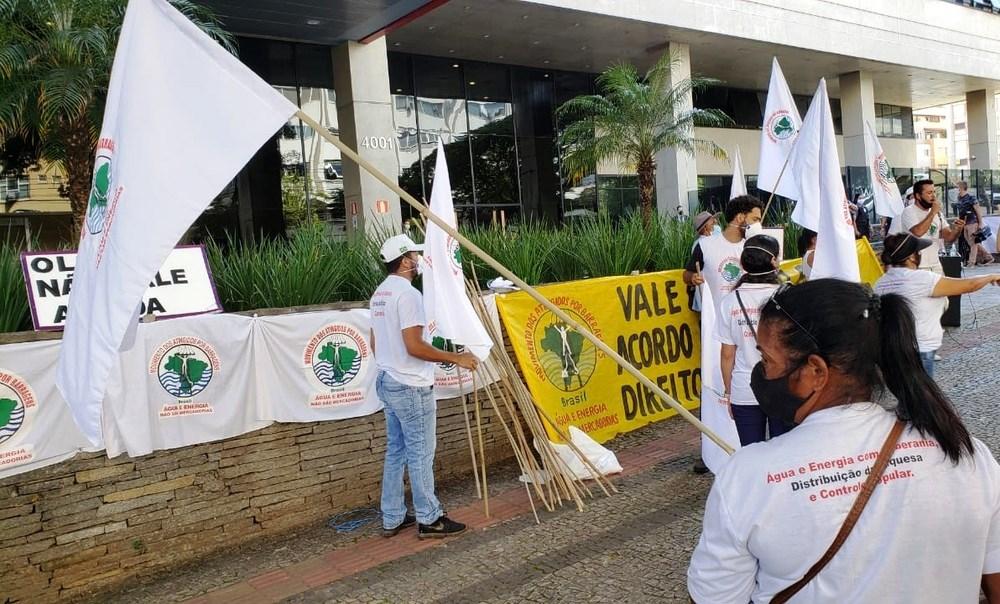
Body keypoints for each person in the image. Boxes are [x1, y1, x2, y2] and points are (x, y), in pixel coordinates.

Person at [688, 278, 1000, 603]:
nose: (761, 372)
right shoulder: (966, 453)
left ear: (815, 372)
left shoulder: (747, 478)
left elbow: (713, 597)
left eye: (766, 360)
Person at [370, 234, 479, 539]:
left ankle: (392, 516)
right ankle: (429, 518)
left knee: (397, 451)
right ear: (404, 261)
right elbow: (414, 346)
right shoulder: (408, 295)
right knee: (420, 452)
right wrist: (455, 357)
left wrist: (391, 364)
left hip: (388, 379)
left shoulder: (380, 294)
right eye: (414, 257)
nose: (418, 261)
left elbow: (375, 340)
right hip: (410, 384)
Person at [683, 196, 763, 474]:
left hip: (750, 332)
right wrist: (692, 279)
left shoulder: (754, 247)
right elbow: (686, 273)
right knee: (715, 389)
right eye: (754, 218)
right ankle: (713, 448)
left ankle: (751, 447)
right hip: (717, 333)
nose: (757, 223)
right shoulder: (705, 246)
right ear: (740, 217)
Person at [875, 233, 1000, 377]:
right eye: (918, 252)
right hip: (918, 349)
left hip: (891, 350)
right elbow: (968, 285)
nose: (920, 254)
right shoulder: (921, 279)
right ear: (911, 257)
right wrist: (992, 276)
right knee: (920, 397)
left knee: (907, 396)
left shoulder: (881, 282)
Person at [716, 234, 790, 446]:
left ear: (742, 263)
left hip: (744, 389)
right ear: (774, 261)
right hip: (782, 387)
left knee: (750, 455)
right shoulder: (786, 297)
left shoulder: (729, 301)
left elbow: (727, 354)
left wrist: (729, 393)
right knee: (784, 455)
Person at [898, 179, 965, 273]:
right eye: (929, 193)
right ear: (918, 196)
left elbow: (949, 238)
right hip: (917, 266)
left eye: (934, 192)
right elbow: (918, 232)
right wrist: (933, 212)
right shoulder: (909, 211)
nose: (933, 196)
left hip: (935, 264)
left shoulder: (937, 213)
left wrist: (957, 230)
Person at [687, 211, 722, 314]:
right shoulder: (700, 245)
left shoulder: (714, 242)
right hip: (707, 295)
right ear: (705, 228)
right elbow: (690, 272)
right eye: (713, 223)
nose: (716, 223)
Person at [956, 180, 993, 267]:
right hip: (964, 224)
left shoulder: (971, 197)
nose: (956, 189)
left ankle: (971, 262)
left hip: (972, 222)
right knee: (973, 243)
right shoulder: (959, 198)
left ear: (961, 188)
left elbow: (978, 210)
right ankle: (989, 257)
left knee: (973, 243)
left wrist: (980, 223)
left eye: (957, 187)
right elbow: (961, 212)